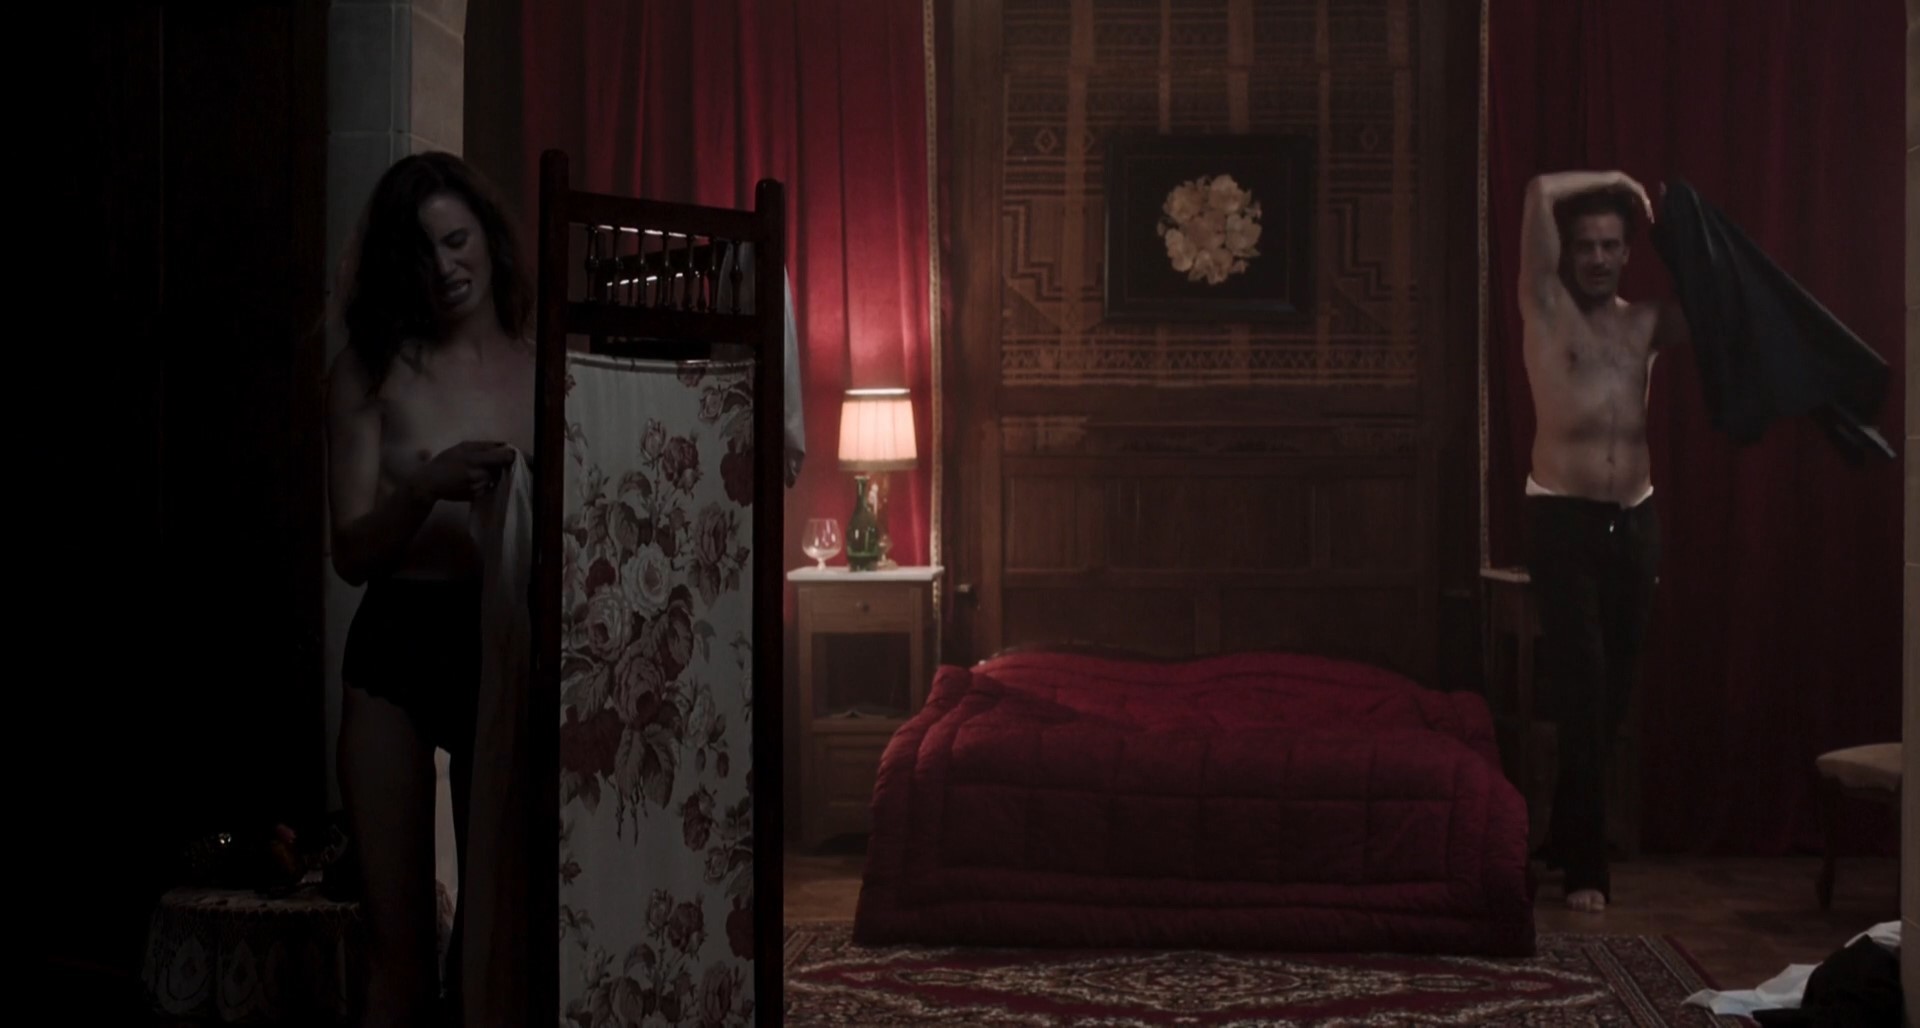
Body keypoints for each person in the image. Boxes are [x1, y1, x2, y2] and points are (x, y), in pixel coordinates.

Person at [326, 151, 533, 1025]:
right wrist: (421, 487)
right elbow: (350, 552)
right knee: (398, 951)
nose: (445, 267)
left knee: (497, 948)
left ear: (487, 238)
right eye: (421, 252)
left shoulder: (544, 366)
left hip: (504, 639)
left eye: (456, 241)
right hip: (397, 642)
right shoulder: (369, 373)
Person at [1516, 169, 1690, 914]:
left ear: (1626, 253)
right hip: (1563, 518)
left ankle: (1563, 833)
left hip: (1636, 519)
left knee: (1613, 694)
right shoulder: (1546, 308)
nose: (1595, 257)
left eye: (1609, 245)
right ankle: (1587, 867)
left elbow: (1721, 307)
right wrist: (1617, 179)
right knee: (1583, 686)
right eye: (1584, 245)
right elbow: (1537, 192)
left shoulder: (1646, 323)